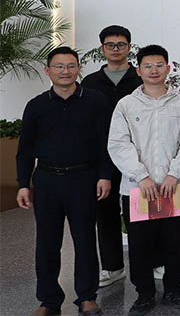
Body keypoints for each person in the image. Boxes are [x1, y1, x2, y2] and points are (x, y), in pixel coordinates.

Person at [17, 46, 110, 316]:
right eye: (59, 66)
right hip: (47, 180)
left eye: (70, 66)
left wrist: (104, 176)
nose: (65, 71)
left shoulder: (96, 101)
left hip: (84, 178)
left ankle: (87, 297)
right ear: (48, 71)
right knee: (47, 243)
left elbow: (106, 143)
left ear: (79, 69)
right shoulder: (36, 105)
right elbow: (25, 149)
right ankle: (48, 301)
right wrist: (23, 183)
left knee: (84, 241)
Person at [108, 45, 180, 316]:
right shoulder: (126, 105)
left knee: (175, 241)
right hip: (139, 189)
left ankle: (173, 289)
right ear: (138, 70)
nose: (154, 70)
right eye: (148, 66)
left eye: (159, 65)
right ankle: (144, 294)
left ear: (168, 68)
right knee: (140, 243)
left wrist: (174, 174)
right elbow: (118, 144)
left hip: (174, 187)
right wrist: (142, 176)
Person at [80, 25, 142, 288]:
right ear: (102, 48)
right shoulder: (90, 82)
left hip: (137, 156)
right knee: (104, 212)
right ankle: (113, 266)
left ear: (129, 47)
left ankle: (150, 263)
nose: (116, 49)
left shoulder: (140, 78)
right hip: (101, 157)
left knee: (141, 212)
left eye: (121, 44)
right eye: (110, 45)